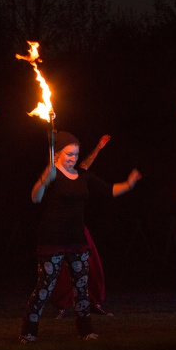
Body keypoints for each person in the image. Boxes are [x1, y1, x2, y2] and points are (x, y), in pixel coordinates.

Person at [20, 131, 141, 343]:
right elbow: (35, 198)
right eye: (69, 154)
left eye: (76, 154)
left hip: (77, 241)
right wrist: (43, 180)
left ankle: (85, 330)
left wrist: (129, 184)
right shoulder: (51, 174)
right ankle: (28, 332)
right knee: (44, 288)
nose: (73, 158)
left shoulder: (84, 176)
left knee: (81, 289)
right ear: (57, 154)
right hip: (53, 239)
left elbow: (109, 190)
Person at [49, 135, 113, 318]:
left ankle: (92, 302)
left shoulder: (77, 175)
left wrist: (98, 147)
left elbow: (85, 165)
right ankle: (62, 305)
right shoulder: (53, 175)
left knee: (91, 265)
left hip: (79, 228)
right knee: (61, 268)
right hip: (60, 230)